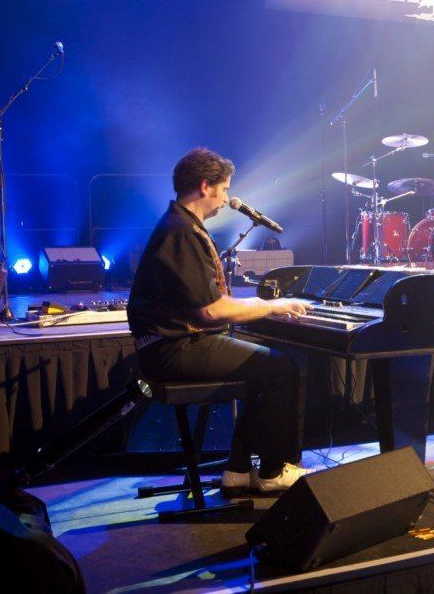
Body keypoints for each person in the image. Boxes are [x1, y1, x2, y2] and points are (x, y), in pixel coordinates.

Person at [128, 147, 313, 493]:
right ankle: (275, 471)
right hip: (172, 349)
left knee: (263, 360)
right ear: (205, 186)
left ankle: (239, 469)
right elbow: (210, 310)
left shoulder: (181, 225)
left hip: (175, 343)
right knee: (280, 369)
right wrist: (273, 306)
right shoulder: (180, 231)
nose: (226, 198)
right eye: (224, 189)